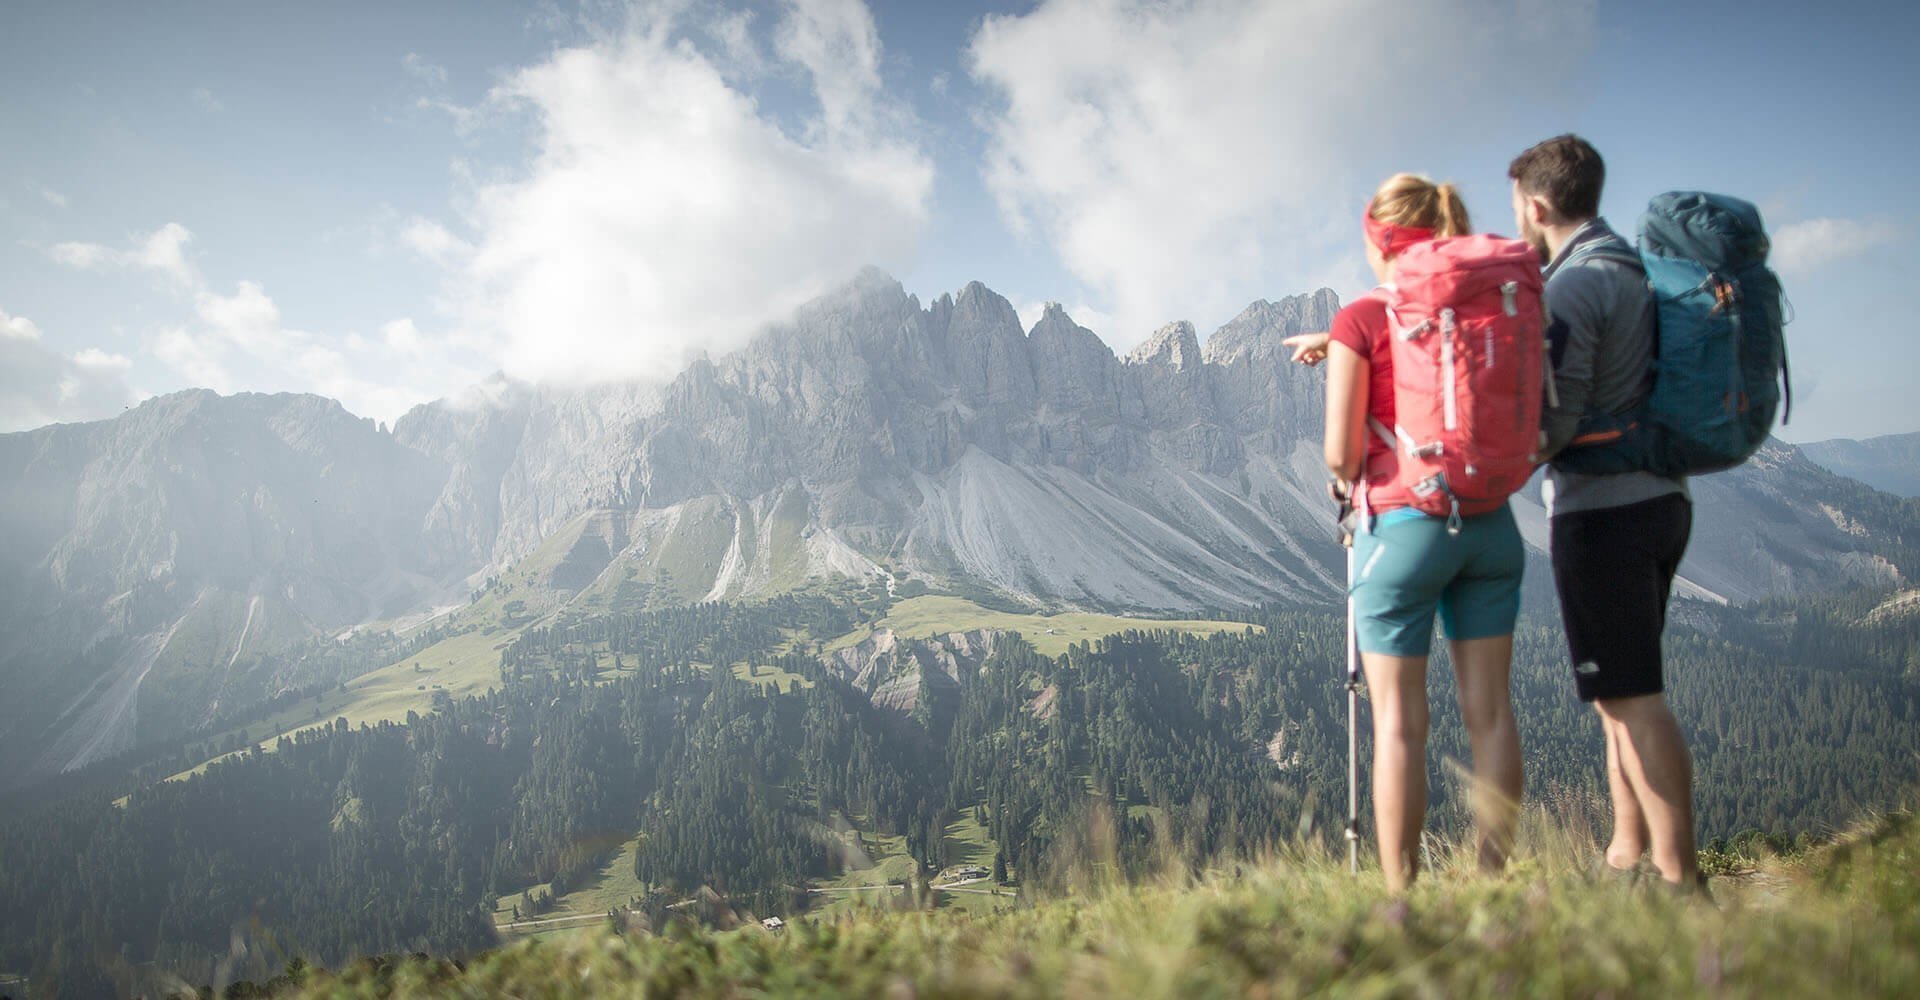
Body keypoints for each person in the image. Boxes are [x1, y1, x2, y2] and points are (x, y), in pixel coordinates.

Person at [1287, 174, 1526, 892]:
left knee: (1398, 726)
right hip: (1492, 525)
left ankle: (1402, 899)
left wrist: (1345, 355)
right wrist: (1335, 343)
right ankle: (1492, 886)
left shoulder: (1362, 318)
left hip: (1404, 530)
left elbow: (1340, 455)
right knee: (1490, 716)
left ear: (1378, 239)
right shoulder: (1487, 306)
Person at [1508, 134, 1699, 890]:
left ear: (1538, 205)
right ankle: (1626, 857)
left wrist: (1489, 459)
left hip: (1603, 511)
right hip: (1662, 497)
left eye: (1517, 205)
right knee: (1617, 695)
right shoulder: (1631, 267)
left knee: (1634, 697)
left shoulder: (1573, 286)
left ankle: (1681, 879)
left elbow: (1554, 420)